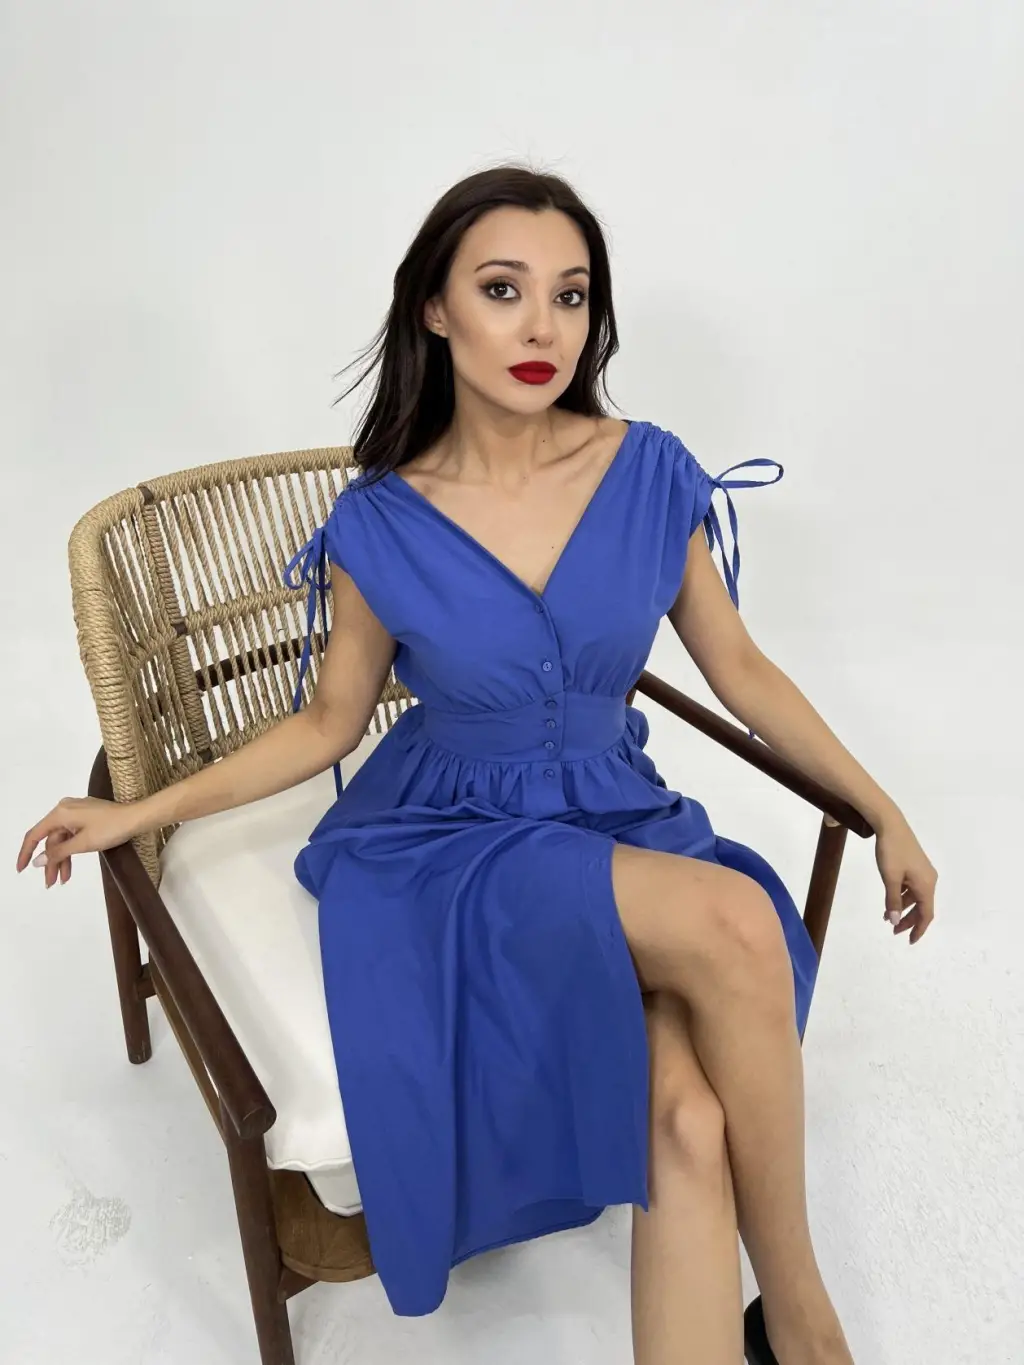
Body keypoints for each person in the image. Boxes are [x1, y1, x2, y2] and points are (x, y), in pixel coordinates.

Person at [18, 164, 936, 1365]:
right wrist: (137, 808)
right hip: (454, 847)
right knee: (735, 922)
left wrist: (882, 809)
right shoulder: (379, 522)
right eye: (502, 290)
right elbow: (326, 725)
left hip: (618, 819)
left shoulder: (649, 471)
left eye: (570, 294)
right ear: (435, 309)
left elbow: (743, 671)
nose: (542, 326)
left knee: (685, 1120)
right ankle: (806, 1322)